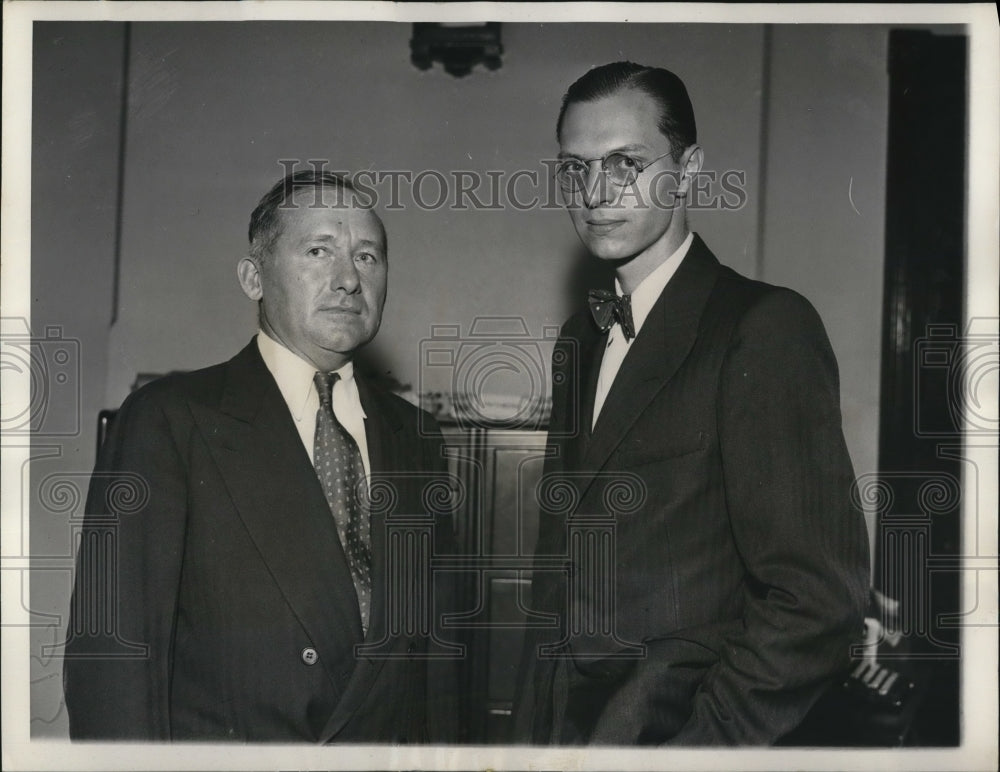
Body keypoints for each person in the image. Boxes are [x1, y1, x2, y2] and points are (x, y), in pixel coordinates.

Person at [513, 62, 870, 745]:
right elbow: (559, 581)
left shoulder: (763, 327)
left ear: (690, 168)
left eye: (625, 163)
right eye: (575, 168)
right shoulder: (578, 340)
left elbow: (819, 602)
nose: (594, 192)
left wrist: (697, 749)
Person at [63, 171, 458, 742]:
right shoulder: (171, 419)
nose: (348, 279)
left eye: (368, 257)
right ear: (253, 277)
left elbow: (436, 670)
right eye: (319, 250)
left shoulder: (418, 438)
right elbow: (113, 659)